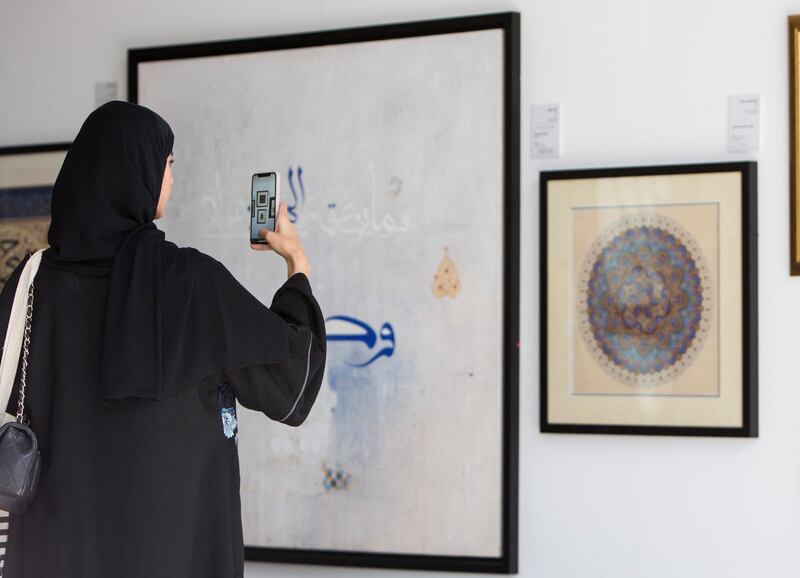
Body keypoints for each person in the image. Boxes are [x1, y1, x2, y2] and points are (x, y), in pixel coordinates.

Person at [0, 100, 326, 577]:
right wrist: (297, 266)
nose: (171, 177)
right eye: (167, 163)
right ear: (140, 171)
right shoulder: (190, 283)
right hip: (172, 551)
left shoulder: (31, 282)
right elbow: (291, 386)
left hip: (58, 547)